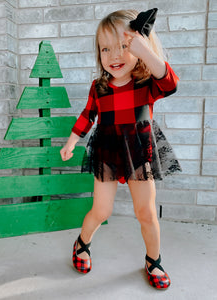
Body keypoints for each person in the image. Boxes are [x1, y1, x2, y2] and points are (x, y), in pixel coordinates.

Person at [60, 8, 181, 289]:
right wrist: (71, 140)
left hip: (139, 151)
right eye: (105, 49)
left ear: (139, 46)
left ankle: (154, 260)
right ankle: (82, 242)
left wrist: (147, 52)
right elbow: (87, 115)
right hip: (108, 151)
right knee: (101, 211)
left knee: (146, 213)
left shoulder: (147, 83)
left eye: (123, 47)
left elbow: (171, 83)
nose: (114, 56)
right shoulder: (99, 87)